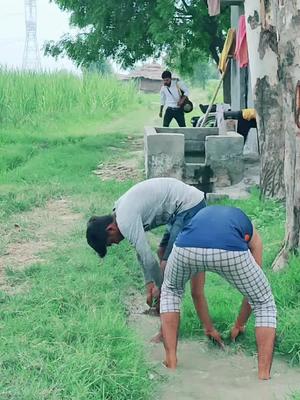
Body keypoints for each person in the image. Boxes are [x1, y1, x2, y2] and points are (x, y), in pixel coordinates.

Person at [86, 178, 225, 342]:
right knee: (161, 252)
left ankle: (166, 329)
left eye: (111, 242)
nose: (116, 243)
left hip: (189, 206)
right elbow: (141, 252)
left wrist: (160, 287)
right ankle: (167, 313)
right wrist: (149, 284)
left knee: (167, 268)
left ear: (110, 229)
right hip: (178, 210)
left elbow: (148, 259)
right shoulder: (120, 213)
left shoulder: (125, 220)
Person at [160, 205, 276, 380]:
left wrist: (208, 327)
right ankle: (263, 376)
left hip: (186, 248)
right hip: (228, 250)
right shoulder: (253, 235)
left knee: (171, 291)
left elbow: (196, 292)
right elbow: (253, 295)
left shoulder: (200, 222)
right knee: (263, 302)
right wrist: (239, 325)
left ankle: (171, 361)